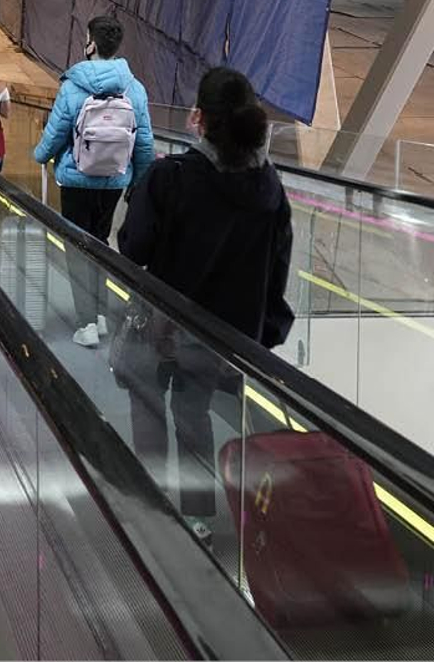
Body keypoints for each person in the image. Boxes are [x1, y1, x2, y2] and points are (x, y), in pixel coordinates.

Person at [116, 66, 294, 539]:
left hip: (162, 327)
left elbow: (133, 248)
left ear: (198, 119)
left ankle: (153, 504)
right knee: (193, 414)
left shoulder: (169, 178)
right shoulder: (271, 191)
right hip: (224, 339)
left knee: (147, 402)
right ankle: (197, 514)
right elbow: (277, 270)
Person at [32, 15, 154, 346]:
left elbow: (56, 133)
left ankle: (85, 323)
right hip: (114, 180)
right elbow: (143, 143)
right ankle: (99, 316)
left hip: (76, 179)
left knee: (77, 248)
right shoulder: (135, 89)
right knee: (100, 244)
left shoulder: (73, 86)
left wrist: (40, 156)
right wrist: (137, 184)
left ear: (90, 43)